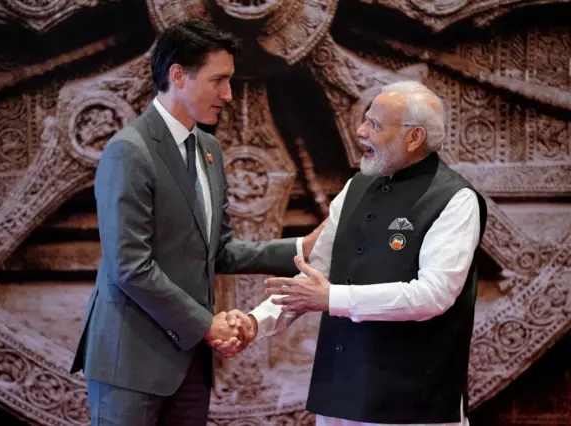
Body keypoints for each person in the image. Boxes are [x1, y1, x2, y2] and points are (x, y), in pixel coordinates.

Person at [69, 19, 318, 426]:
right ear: (178, 75)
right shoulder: (128, 151)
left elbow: (217, 250)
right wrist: (207, 324)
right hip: (131, 363)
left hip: (190, 365)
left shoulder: (209, 150)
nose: (228, 94)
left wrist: (299, 248)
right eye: (218, 80)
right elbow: (130, 265)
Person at [224, 81, 488, 426]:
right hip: (339, 397)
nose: (361, 132)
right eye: (365, 120)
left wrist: (331, 297)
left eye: (376, 125)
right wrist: (255, 322)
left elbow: (433, 295)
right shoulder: (356, 187)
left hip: (412, 406)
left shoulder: (455, 199)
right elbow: (314, 278)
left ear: (414, 138)